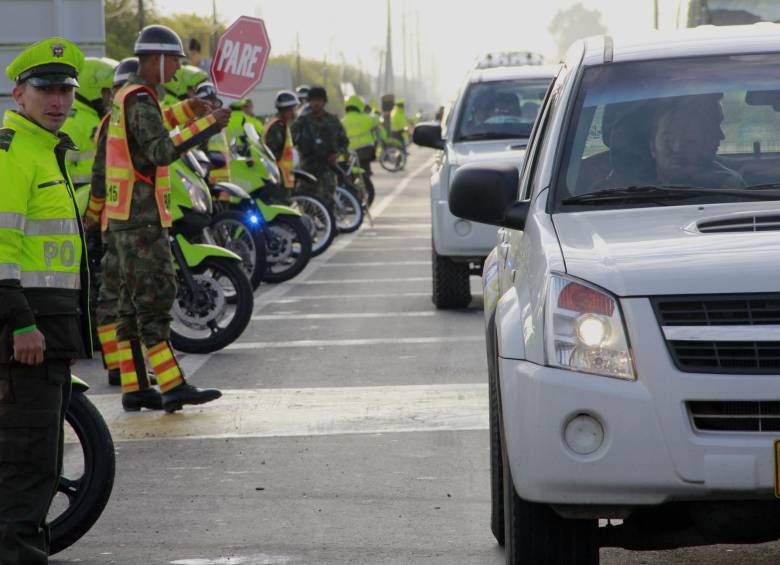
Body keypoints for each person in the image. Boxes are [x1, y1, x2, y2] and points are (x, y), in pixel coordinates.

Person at [100, 24, 229, 412]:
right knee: (155, 301)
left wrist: (189, 110)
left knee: (128, 308)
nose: (176, 69)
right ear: (155, 59)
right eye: (174, 61)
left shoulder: (128, 96)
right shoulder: (139, 97)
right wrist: (208, 124)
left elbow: (151, 129)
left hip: (124, 217)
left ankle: (136, 387)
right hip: (143, 220)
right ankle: (173, 386)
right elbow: (158, 150)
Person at [0, 37, 91, 564]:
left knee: (32, 464)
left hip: (45, 332)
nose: (57, 101)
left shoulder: (42, 149)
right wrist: (19, 324)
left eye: (65, 90)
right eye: (45, 90)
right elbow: (2, 245)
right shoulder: (14, 152)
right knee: (27, 469)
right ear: (19, 93)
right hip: (27, 334)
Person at [651, 94, 745, 189]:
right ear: (652, 146)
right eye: (668, 139)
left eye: (688, 140)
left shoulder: (727, 186)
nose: (677, 147)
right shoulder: (637, 190)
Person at [291, 85, 348, 216]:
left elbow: (344, 142)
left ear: (324, 102)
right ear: (309, 102)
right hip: (307, 167)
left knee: (328, 201)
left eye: (319, 100)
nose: (316, 103)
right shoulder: (302, 122)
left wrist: (337, 154)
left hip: (328, 168)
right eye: (313, 100)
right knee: (305, 200)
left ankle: (330, 227)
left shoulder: (333, 121)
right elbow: (290, 140)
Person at [61, 56, 118, 187]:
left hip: (92, 194)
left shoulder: (92, 117)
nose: (110, 98)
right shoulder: (73, 122)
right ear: (92, 89)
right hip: (80, 196)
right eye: (107, 92)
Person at [265, 90, 299, 200]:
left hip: (281, 175)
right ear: (286, 110)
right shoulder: (278, 127)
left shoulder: (278, 124)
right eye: (293, 108)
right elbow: (272, 153)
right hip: (279, 175)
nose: (295, 112)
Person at [342, 94, 379, 177]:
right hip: (367, 151)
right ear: (359, 105)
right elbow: (376, 120)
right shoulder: (366, 118)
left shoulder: (342, 122)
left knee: (351, 172)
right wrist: (372, 111)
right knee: (365, 171)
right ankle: (366, 182)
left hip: (351, 153)